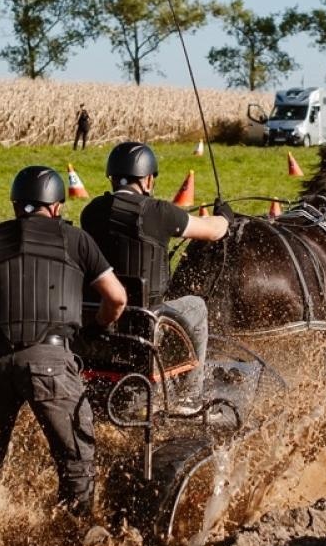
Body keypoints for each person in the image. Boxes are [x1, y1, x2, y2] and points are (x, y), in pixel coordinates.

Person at [0, 166, 126, 515]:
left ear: (15, 206)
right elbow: (117, 298)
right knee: (76, 463)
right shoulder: (77, 240)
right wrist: (95, 329)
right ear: (56, 207)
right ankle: (72, 537)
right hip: (50, 363)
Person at [78, 142, 229, 396]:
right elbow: (212, 231)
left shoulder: (91, 211)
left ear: (112, 178)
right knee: (197, 306)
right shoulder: (159, 212)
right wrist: (225, 216)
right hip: (148, 319)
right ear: (148, 179)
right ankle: (190, 395)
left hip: (99, 318)